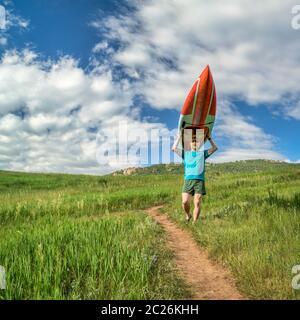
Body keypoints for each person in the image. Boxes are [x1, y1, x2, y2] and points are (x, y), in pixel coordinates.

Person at [172, 130, 218, 223]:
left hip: (199, 181)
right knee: (185, 202)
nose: (195, 143)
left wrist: (209, 138)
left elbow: (215, 148)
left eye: (196, 141)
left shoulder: (203, 154)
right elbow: (173, 148)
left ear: (199, 144)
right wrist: (180, 137)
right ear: (190, 143)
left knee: (197, 202)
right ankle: (188, 215)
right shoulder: (185, 154)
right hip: (188, 181)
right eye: (193, 141)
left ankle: (195, 223)